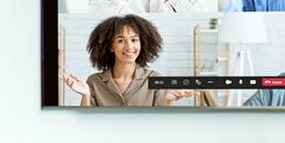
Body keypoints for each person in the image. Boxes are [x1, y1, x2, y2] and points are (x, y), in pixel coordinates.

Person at [60, 15, 194, 107]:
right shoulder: (94, 82)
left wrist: (169, 101)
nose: (129, 47)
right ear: (110, 46)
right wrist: (85, 96)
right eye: (121, 40)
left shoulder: (155, 79)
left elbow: (163, 124)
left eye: (134, 40)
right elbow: (86, 124)